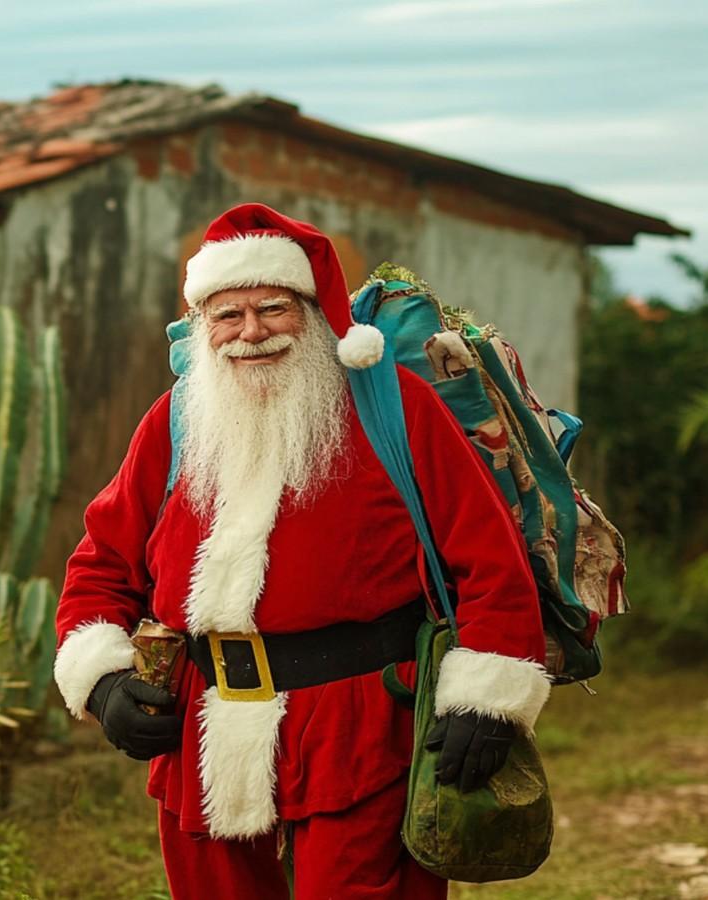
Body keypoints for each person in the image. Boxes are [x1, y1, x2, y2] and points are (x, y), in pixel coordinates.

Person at [51, 203, 552, 899]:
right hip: (200, 727)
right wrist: (102, 679)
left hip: (358, 723)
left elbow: (488, 555)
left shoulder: (393, 405)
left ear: (314, 314)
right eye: (227, 315)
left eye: (272, 308)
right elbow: (101, 563)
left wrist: (486, 697)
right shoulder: (174, 421)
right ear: (203, 328)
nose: (250, 332)